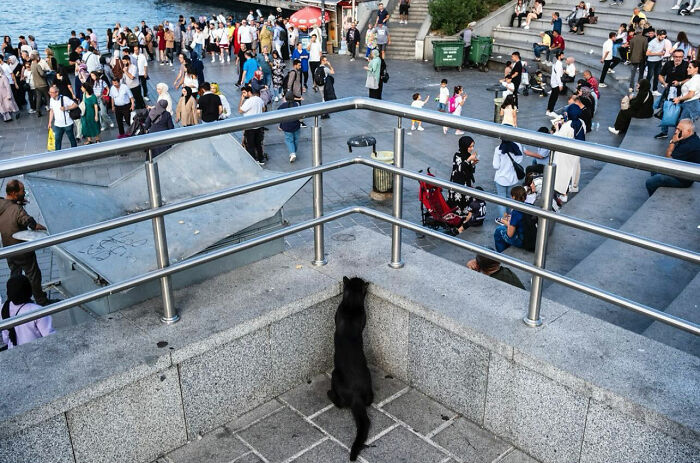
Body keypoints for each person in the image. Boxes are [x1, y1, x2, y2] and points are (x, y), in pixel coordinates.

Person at [0, 181, 51, 306]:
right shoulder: (17, 209)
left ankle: (14, 300)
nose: (24, 193)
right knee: (33, 275)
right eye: (22, 191)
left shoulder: (2, 203)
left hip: (8, 248)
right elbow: (27, 220)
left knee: (15, 274)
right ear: (13, 193)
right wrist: (41, 227)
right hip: (22, 249)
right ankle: (41, 301)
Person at [646, 119, 699, 195]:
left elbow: (669, 161)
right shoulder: (691, 137)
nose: (676, 132)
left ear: (688, 131)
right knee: (654, 167)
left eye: (679, 130)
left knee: (650, 182)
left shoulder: (689, 145)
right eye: (676, 128)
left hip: (683, 179)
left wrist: (673, 142)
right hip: (681, 170)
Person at [1, 275, 55, 349]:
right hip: (37, 351)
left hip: (13, 350)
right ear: (29, 291)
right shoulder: (37, 310)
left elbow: (6, 339)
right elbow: (50, 337)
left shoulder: (3, 308)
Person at [655, 60, 700, 139]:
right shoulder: (694, 78)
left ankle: (681, 144)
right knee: (683, 125)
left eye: (690, 67)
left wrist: (679, 98)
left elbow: (691, 94)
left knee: (683, 127)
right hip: (689, 104)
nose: (687, 69)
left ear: (696, 69)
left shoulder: (695, 79)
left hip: (691, 105)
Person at [493, 139, 524, 220]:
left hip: (500, 178)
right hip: (513, 179)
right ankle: (510, 219)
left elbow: (495, 166)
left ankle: (503, 219)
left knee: (501, 200)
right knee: (511, 198)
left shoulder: (498, 149)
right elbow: (519, 160)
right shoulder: (517, 146)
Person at [447, 136, 478, 214]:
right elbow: (459, 169)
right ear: (464, 146)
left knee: (466, 200)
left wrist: (473, 164)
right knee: (458, 202)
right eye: (470, 146)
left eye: (473, 146)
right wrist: (469, 160)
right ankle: (457, 218)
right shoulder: (457, 155)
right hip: (458, 182)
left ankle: (465, 217)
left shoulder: (468, 155)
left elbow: (471, 171)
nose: (472, 148)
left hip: (466, 182)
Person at [493, 185, 528, 252]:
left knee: (498, 231)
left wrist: (504, 221)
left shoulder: (516, 212)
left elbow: (510, 234)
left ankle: (501, 254)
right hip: (529, 235)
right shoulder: (529, 205)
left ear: (514, 197)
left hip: (522, 240)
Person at [239, 85, 265, 165]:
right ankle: (261, 159)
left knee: (250, 144)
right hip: (259, 125)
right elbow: (263, 109)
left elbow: (240, 111)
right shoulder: (259, 99)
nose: (243, 95)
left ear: (249, 92)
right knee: (258, 144)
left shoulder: (249, 101)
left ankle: (254, 160)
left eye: (244, 93)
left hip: (250, 126)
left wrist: (241, 100)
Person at [278, 92, 301, 163]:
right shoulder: (296, 105)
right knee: (296, 139)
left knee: (289, 140)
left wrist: (280, 125)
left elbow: (278, 113)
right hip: (296, 125)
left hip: (287, 125)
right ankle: (293, 151)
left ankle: (292, 153)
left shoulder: (283, 105)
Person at [646, 30, 670, 95]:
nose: (663, 38)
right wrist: (658, 53)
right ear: (658, 35)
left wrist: (663, 51)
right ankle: (646, 90)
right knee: (649, 75)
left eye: (664, 37)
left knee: (657, 75)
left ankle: (655, 90)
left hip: (659, 60)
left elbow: (663, 48)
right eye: (662, 37)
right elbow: (647, 53)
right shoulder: (652, 42)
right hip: (651, 61)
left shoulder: (663, 41)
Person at [546, 51, 565, 117]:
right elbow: (558, 75)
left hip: (554, 82)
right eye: (562, 55)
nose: (563, 56)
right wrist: (560, 84)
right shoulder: (558, 64)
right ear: (559, 56)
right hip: (556, 83)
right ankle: (550, 110)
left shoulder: (557, 63)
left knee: (552, 97)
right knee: (554, 97)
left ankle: (549, 110)